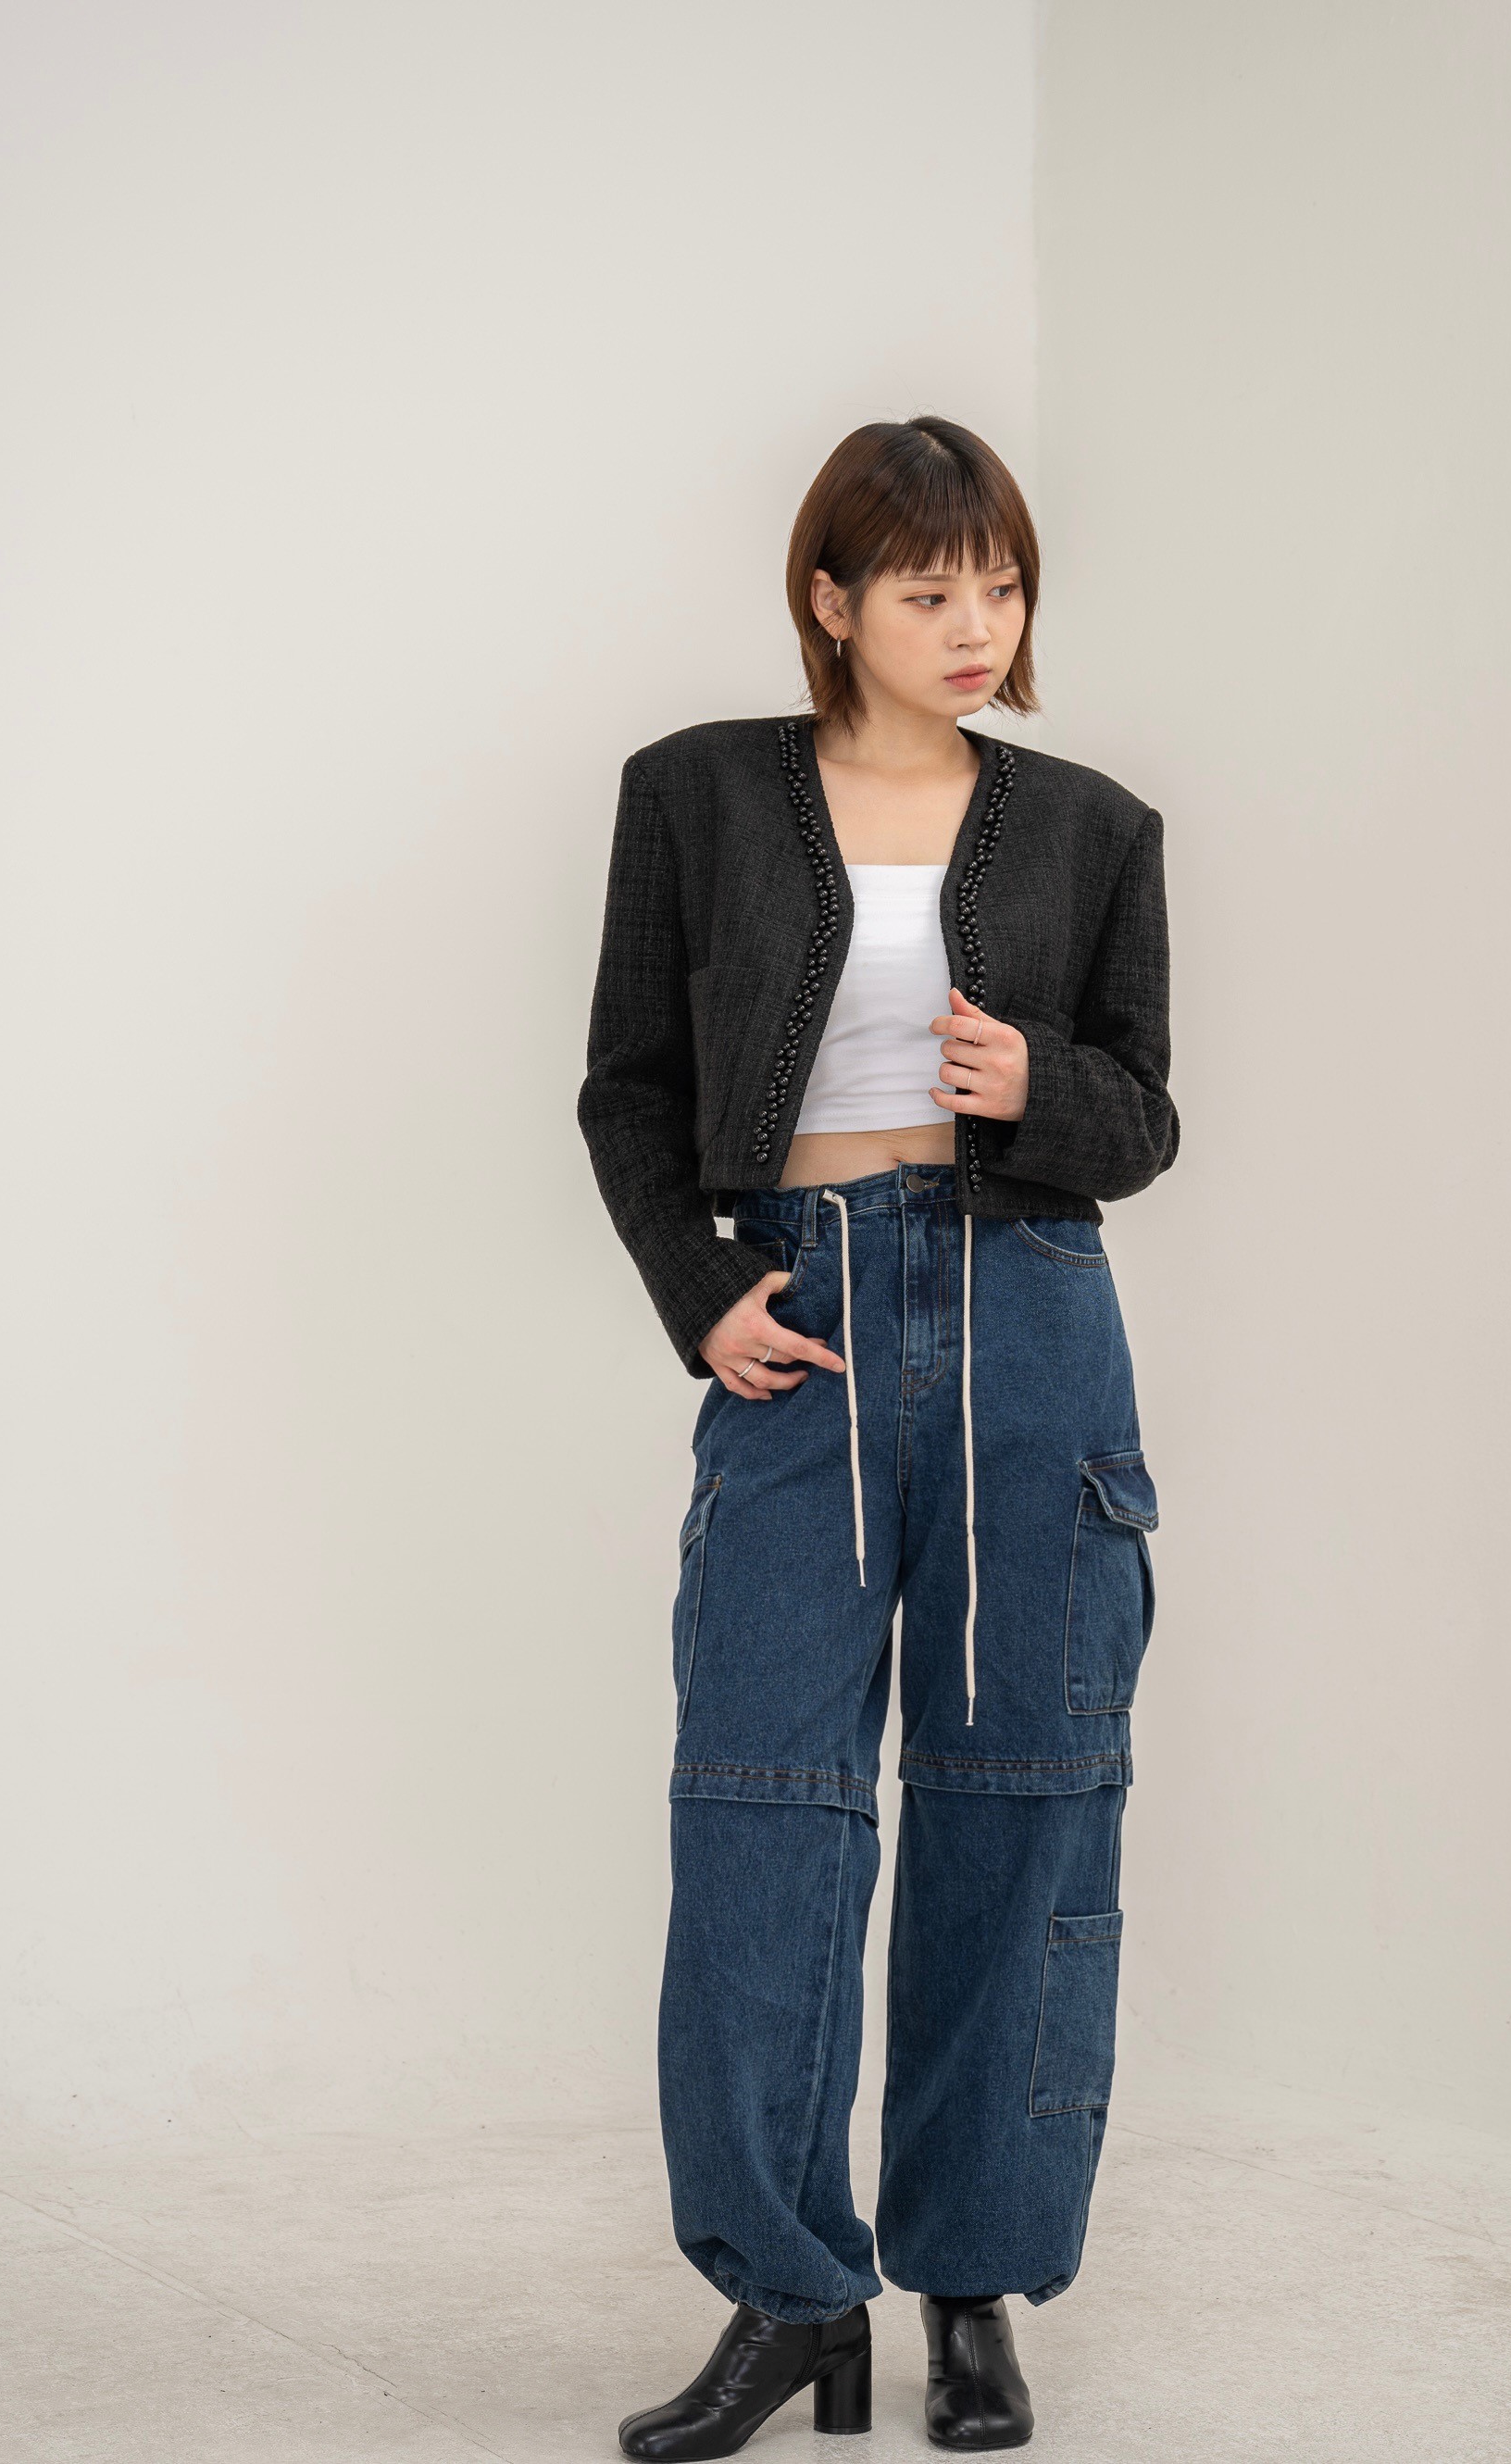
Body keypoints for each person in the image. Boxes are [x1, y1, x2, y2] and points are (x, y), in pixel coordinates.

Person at [577, 415, 1178, 2457]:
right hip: (803, 1328)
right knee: (760, 1800)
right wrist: (702, 1291)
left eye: (1000, 584)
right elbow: (628, 1084)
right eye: (929, 589)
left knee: (1026, 1798)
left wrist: (1035, 1089)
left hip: (1033, 1323)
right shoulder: (693, 792)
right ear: (830, 599)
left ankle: (973, 2290)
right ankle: (786, 2293)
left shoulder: (1096, 824)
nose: (975, 623)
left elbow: (1144, 1116)